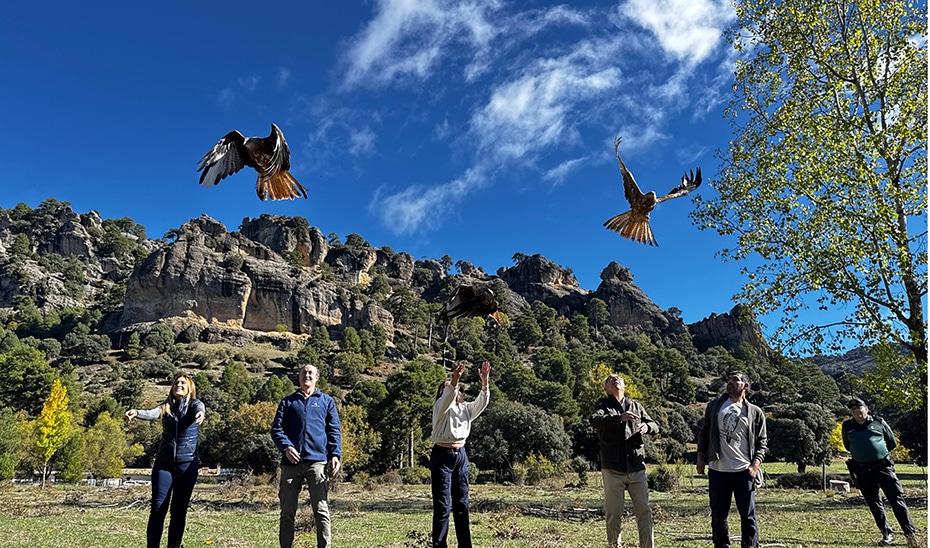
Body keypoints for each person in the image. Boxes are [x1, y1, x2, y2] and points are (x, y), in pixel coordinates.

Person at [125, 375, 205, 548]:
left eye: (183, 383)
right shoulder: (166, 407)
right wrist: (137, 413)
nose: (179, 385)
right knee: (158, 509)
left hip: (187, 465)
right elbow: (153, 413)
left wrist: (201, 414)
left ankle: (174, 546)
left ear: (190, 388)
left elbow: (200, 406)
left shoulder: (194, 406)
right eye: (177, 382)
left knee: (179, 511)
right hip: (164, 464)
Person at [271, 364, 342, 548]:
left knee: (321, 510)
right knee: (287, 511)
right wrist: (286, 447)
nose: (307, 375)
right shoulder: (287, 402)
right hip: (290, 464)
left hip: (317, 463)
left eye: (310, 373)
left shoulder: (327, 401)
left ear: (317, 377)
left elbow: (334, 430)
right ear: (299, 377)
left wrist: (335, 454)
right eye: (303, 372)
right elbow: (276, 429)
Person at [696, 371, 768, 548]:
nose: (730, 383)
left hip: (744, 471)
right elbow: (704, 432)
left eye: (735, 380)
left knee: (748, 517)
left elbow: (762, 441)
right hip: (718, 470)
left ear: (745, 386)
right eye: (728, 380)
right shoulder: (714, 407)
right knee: (718, 517)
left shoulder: (754, 412)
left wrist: (755, 466)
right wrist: (700, 458)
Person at [590, 374, 659, 548]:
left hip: (637, 467)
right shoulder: (603, 404)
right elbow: (595, 420)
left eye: (618, 379)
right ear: (606, 388)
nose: (616, 379)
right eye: (611, 379)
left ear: (624, 386)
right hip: (613, 470)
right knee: (613, 513)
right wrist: (618, 418)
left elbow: (655, 425)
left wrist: (647, 426)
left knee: (644, 511)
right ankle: (614, 545)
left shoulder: (635, 405)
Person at [842, 398, 919, 547]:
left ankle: (910, 535)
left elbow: (891, 442)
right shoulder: (847, 425)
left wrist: (878, 453)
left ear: (867, 409)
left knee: (897, 500)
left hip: (882, 467)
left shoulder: (878, 422)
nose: (856, 411)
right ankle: (887, 534)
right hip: (862, 469)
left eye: (859, 408)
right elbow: (847, 445)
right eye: (853, 410)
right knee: (874, 503)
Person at [430, 360, 490, 548]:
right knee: (442, 505)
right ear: (442, 394)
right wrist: (454, 379)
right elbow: (448, 396)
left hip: (460, 456)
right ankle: (440, 545)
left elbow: (482, 403)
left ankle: (465, 546)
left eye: (455, 387)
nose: (453, 390)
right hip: (442, 456)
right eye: (448, 388)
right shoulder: (440, 408)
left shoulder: (465, 409)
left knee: (462, 504)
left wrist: (485, 382)